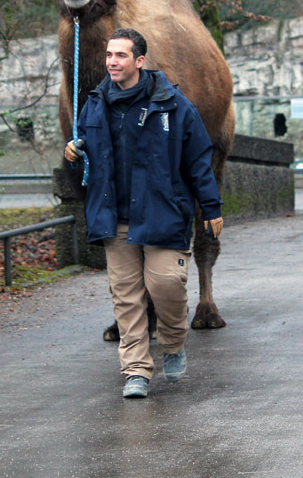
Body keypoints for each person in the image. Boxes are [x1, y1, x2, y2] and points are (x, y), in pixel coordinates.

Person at [64, 27, 224, 399]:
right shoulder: (94, 103)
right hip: (114, 218)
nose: (111, 62)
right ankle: (136, 370)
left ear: (139, 61)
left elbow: (199, 159)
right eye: (108, 55)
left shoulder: (173, 104)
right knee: (127, 297)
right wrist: (75, 153)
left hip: (163, 214)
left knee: (166, 285)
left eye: (120, 55)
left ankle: (172, 341)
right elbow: (90, 155)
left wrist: (211, 207)